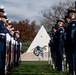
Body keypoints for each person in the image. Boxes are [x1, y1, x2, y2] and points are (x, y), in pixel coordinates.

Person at [67, 9, 76, 75]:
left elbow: (73, 31)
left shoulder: (73, 21)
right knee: (71, 56)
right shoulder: (70, 22)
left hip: (72, 41)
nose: (68, 15)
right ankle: (72, 70)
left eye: (69, 13)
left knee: (73, 56)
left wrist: (72, 39)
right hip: (70, 41)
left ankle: (73, 70)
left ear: (72, 14)